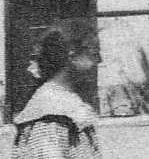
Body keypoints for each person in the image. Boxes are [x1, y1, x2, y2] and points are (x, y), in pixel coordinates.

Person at [13, 28, 102, 159]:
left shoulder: (65, 102)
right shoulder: (51, 116)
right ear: (72, 55)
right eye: (94, 53)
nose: (100, 60)